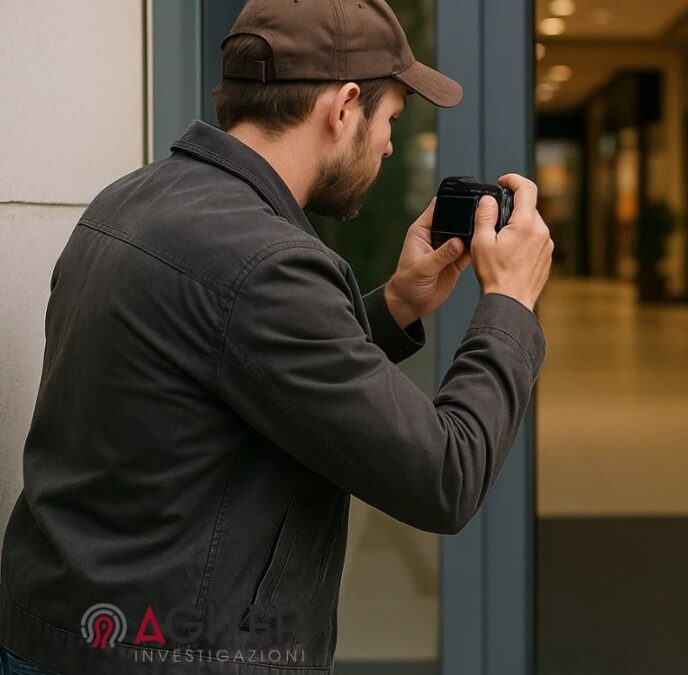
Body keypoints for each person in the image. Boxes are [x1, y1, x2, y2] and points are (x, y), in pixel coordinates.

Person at [0, 1, 552, 673]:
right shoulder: (264, 261)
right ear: (344, 106)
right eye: (391, 121)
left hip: (63, 634)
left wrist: (400, 302)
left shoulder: (131, 200)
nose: (388, 146)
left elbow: (240, 358)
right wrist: (511, 304)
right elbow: (445, 473)